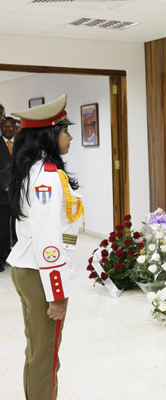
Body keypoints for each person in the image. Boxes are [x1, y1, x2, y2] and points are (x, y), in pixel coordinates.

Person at [7, 94, 84, 400]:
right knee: (46, 356)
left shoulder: (33, 170)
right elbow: (49, 239)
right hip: (41, 272)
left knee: (37, 351)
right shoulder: (47, 178)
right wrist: (57, 294)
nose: (70, 136)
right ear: (49, 134)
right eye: (65, 130)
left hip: (28, 267)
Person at [0, 116, 17, 272]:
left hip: (18, 195)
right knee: (2, 228)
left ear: (15, 128)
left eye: (11, 126)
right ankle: (0, 259)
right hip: (2, 195)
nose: (7, 129)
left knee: (18, 228)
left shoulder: (21, 145)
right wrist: (6, 186)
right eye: (5, 126)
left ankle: (17, 258)